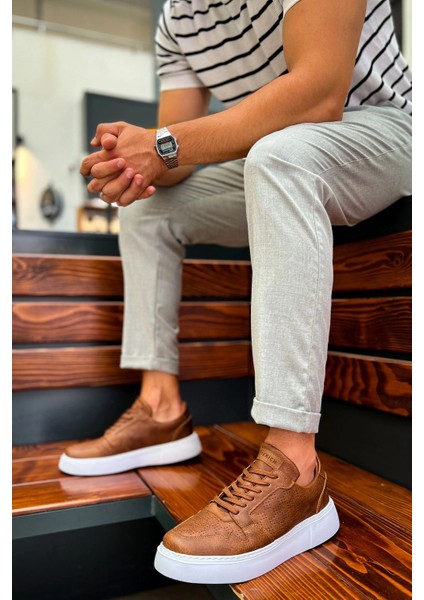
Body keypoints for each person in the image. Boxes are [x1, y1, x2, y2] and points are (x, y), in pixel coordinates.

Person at [58, 0, 412, 585]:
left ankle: (296, 469)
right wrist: (136, 158)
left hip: (382, 130)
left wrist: (163, 144)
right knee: (150, 211)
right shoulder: (178, 19)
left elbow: (319, 94)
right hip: (274, 150)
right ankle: (160, 408)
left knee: (281, 157)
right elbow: (173, 159)